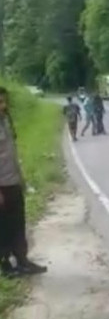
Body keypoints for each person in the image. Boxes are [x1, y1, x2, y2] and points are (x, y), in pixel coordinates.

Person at [0, 87, 47, 277]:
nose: (3, 106)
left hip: (13, 181)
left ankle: (22, 261)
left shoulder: (6, 122)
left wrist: (21, 179)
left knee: (18, 223)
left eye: (4, 102)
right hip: (1, 185)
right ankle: (6, 267)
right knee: (3, 227)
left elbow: (11, 154)